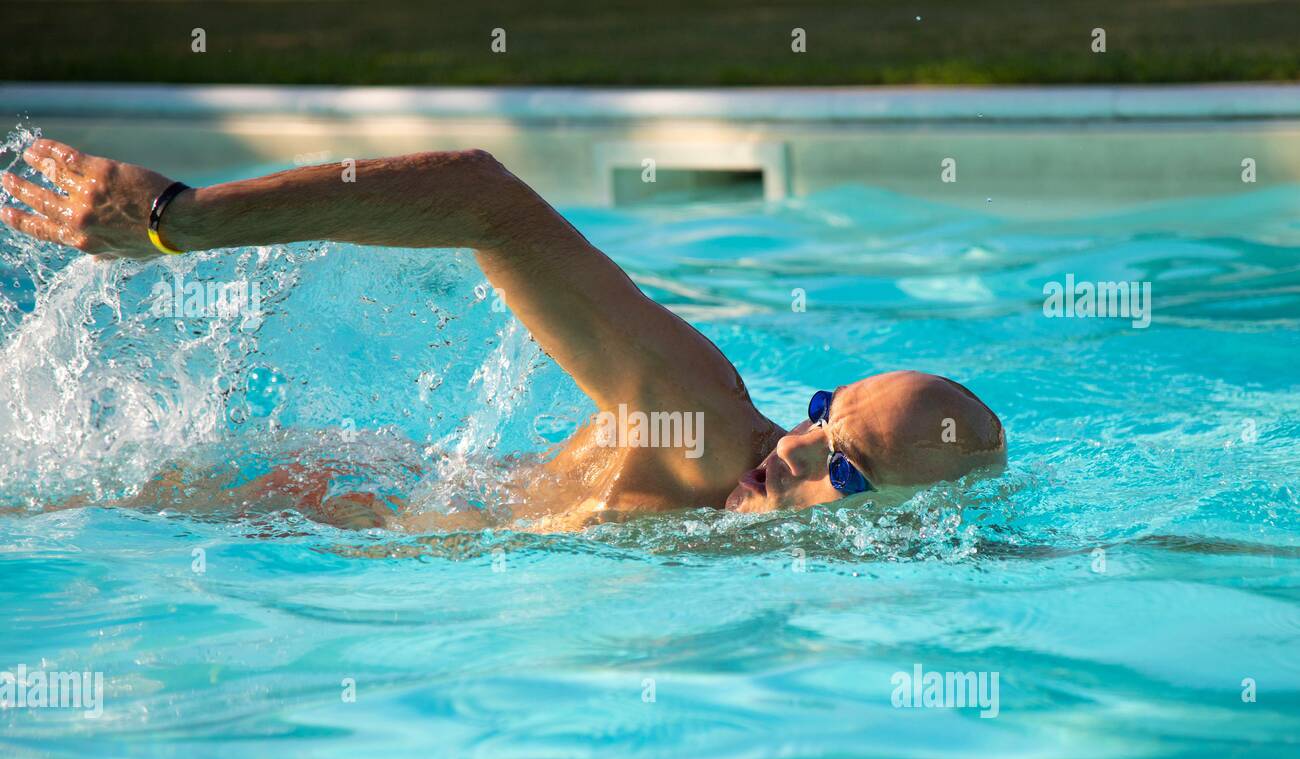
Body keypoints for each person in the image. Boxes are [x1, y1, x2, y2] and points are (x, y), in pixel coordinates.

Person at [2, 138, 1006, 531]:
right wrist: (184, 218)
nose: (789, 445)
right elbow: (486, 198)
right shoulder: (698, 426)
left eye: (846, 464)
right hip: (278, 507)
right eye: (820, 415)